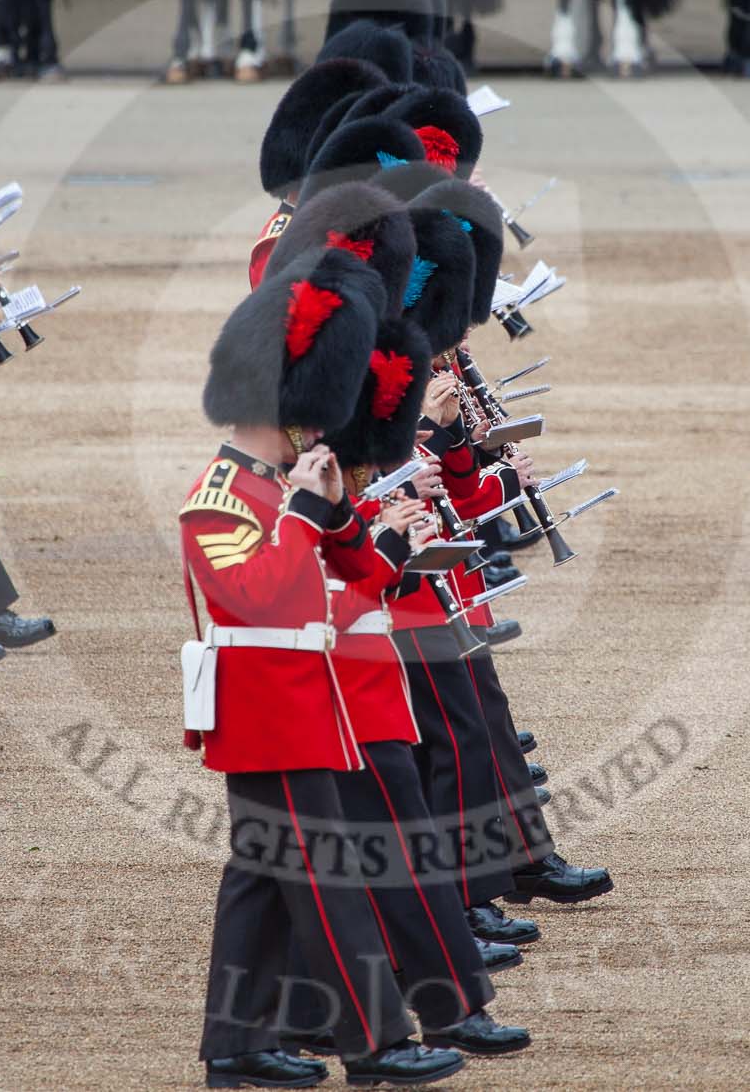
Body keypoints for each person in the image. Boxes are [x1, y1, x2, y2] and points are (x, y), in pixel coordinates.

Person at [184, 248, 467, 1089]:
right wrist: (308, 514)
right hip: (270, 718)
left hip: (310, 712)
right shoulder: (219, 497)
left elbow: (354, 573)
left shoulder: (279, 486)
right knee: (331, 883)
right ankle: (375, 1044)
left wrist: (350, 521)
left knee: (261, 883)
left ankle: (234, 1048)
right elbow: (259, 597)